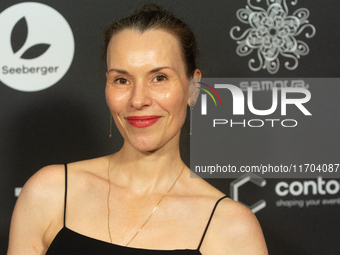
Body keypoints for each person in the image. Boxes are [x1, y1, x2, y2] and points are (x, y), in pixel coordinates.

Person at [7, 3, 268, 255]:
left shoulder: (231, 227)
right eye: (122, 80)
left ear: (194, 88)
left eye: (159, 78)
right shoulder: (50, 192)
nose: (138, 99)